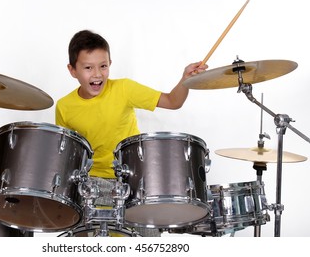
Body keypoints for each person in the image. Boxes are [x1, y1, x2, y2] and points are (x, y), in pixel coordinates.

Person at [55, 30, 207, 236]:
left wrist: (185, 79)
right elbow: (66, 158)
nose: (97, 74)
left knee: (148, 238)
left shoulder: (124, 88)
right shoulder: (64, 106)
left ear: (110, 63)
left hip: (133, 182)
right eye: (88, 68)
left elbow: (173, 101)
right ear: (72, 70)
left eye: (103, 66)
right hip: (92, 185)